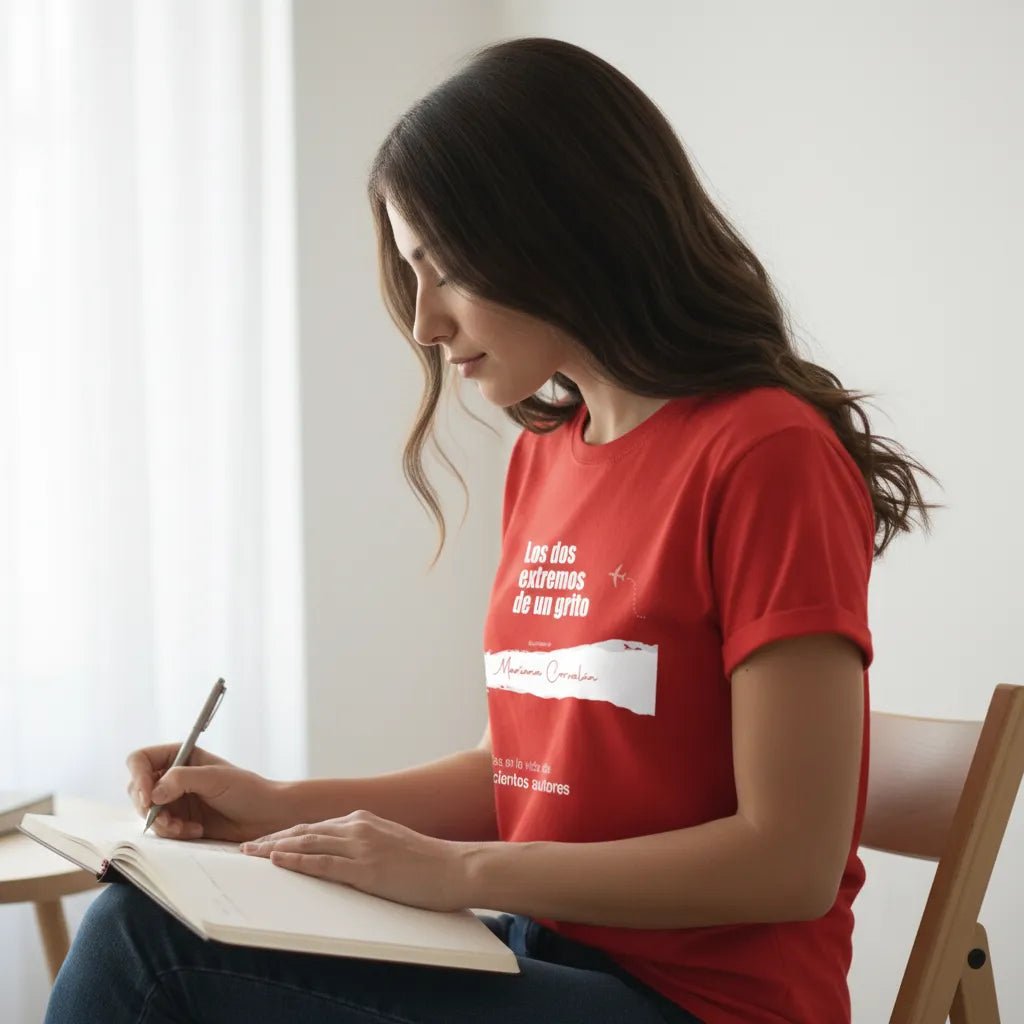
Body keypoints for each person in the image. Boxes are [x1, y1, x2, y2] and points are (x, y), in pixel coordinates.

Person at [45, 36, 936, 1024]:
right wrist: (275, 803)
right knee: (157, 909)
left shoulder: (763, 454)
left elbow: (789, 860)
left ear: (558, 228)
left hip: (699, 1005)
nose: (423, 321)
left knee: (147, 949)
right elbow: (512, 772)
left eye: (442, 268)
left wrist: (456, 870)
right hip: (540, 954)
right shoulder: (547, 456)